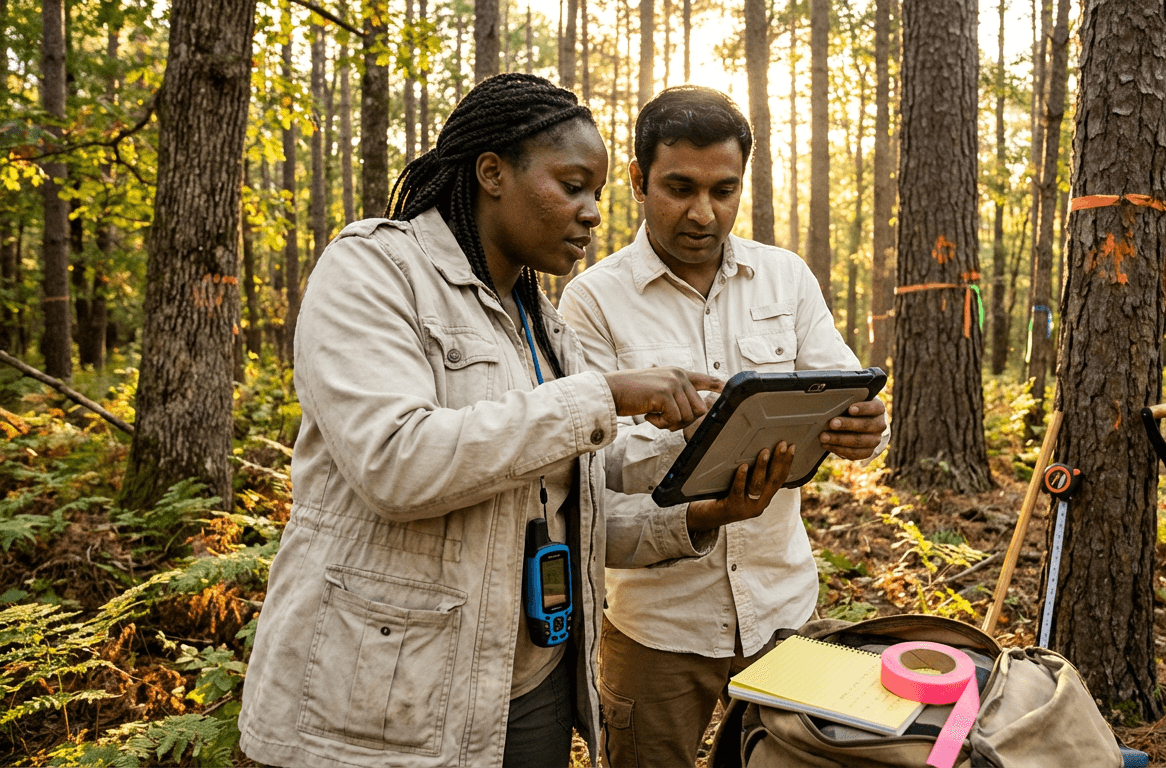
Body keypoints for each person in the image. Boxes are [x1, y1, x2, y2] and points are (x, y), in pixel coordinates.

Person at [237, 74, 794, 768]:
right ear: (492, 174)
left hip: (529, 680)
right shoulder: (375, 270)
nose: (593, 212)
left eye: (595, 192)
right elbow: (396, 463)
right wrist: (606, 394)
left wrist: (699, 511)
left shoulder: (544, 326)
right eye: (571, 185)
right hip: (379, 699)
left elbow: (570, 508)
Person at [560, 85, 890, 767]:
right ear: (636, 179)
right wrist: (687, 439)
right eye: (678, 187)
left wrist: (866, 428)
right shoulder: (590, 300)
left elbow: (838, 390)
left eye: (724, 189)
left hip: (784, 605)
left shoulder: (786, 279)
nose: (702, 213)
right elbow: (591, 466)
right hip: (658, 622)